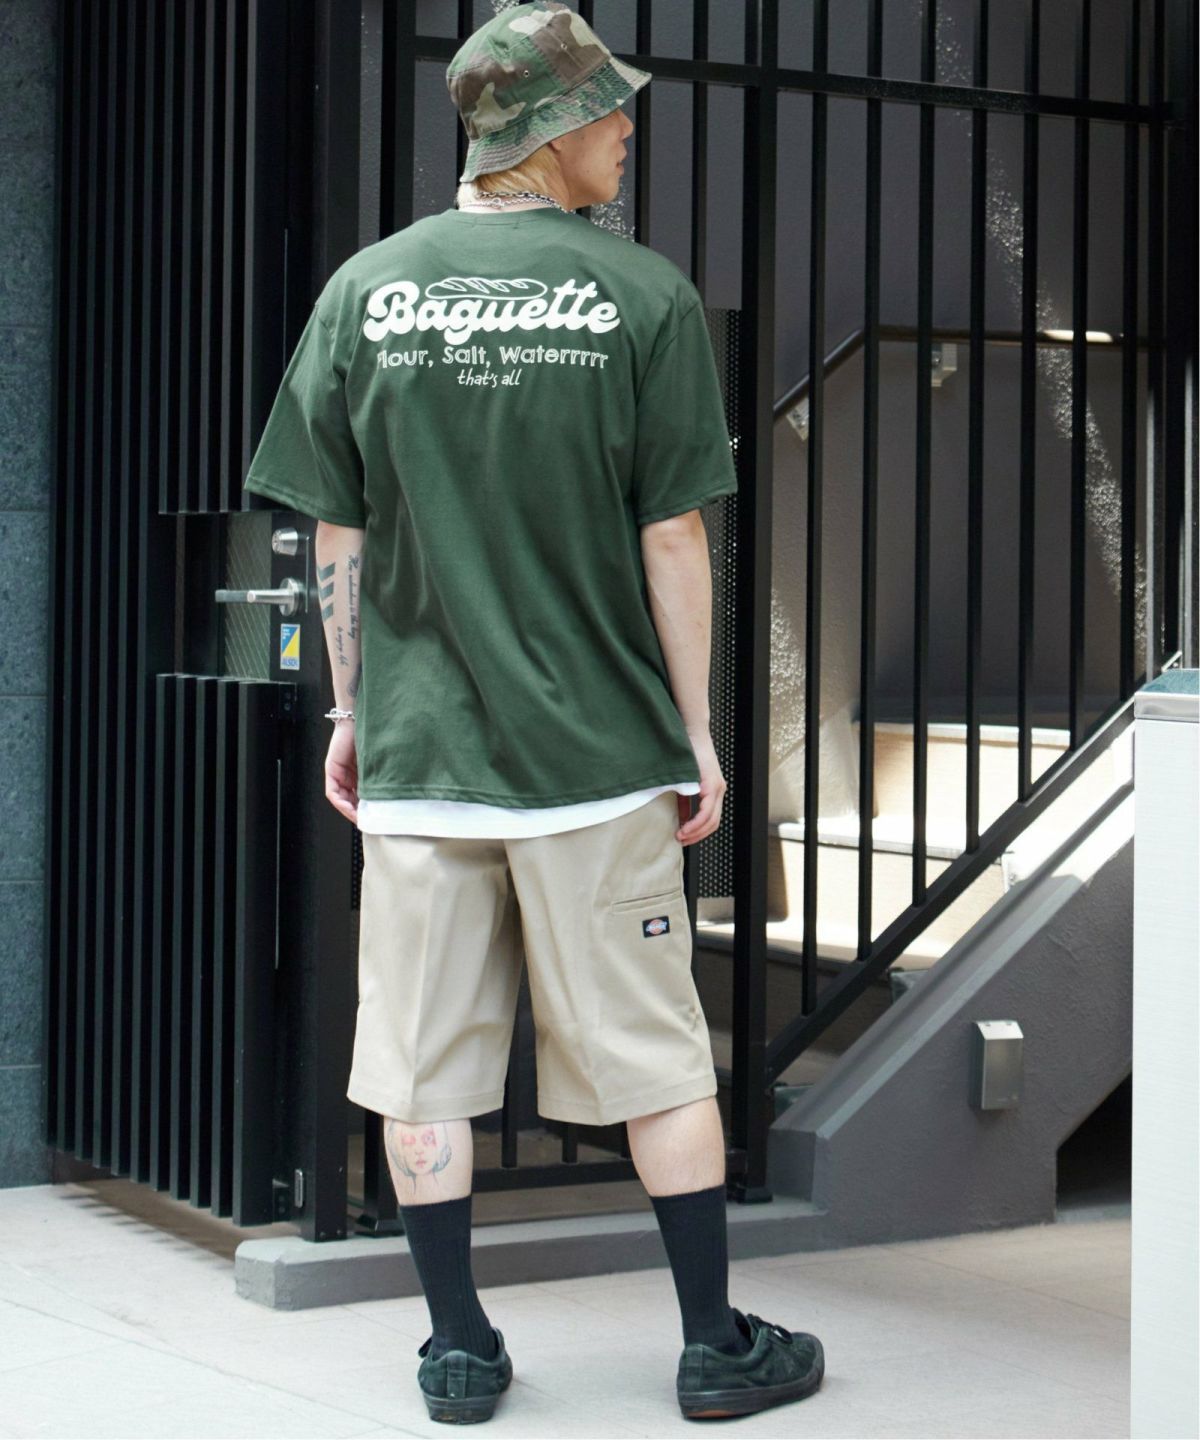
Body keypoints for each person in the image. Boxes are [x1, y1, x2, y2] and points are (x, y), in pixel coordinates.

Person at [242, 1, 824, 1424]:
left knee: (421, 1064)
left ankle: (458, 1350)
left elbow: (335, 530)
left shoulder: (368, 291)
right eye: (611, 112)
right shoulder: (644, 298)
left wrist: (352, 709)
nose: (627, 132)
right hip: (596, 758)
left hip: (425, 757)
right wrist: (697, 731)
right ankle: (713, 1346)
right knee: (658, 1057)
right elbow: (674, 534)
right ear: (550, 130)